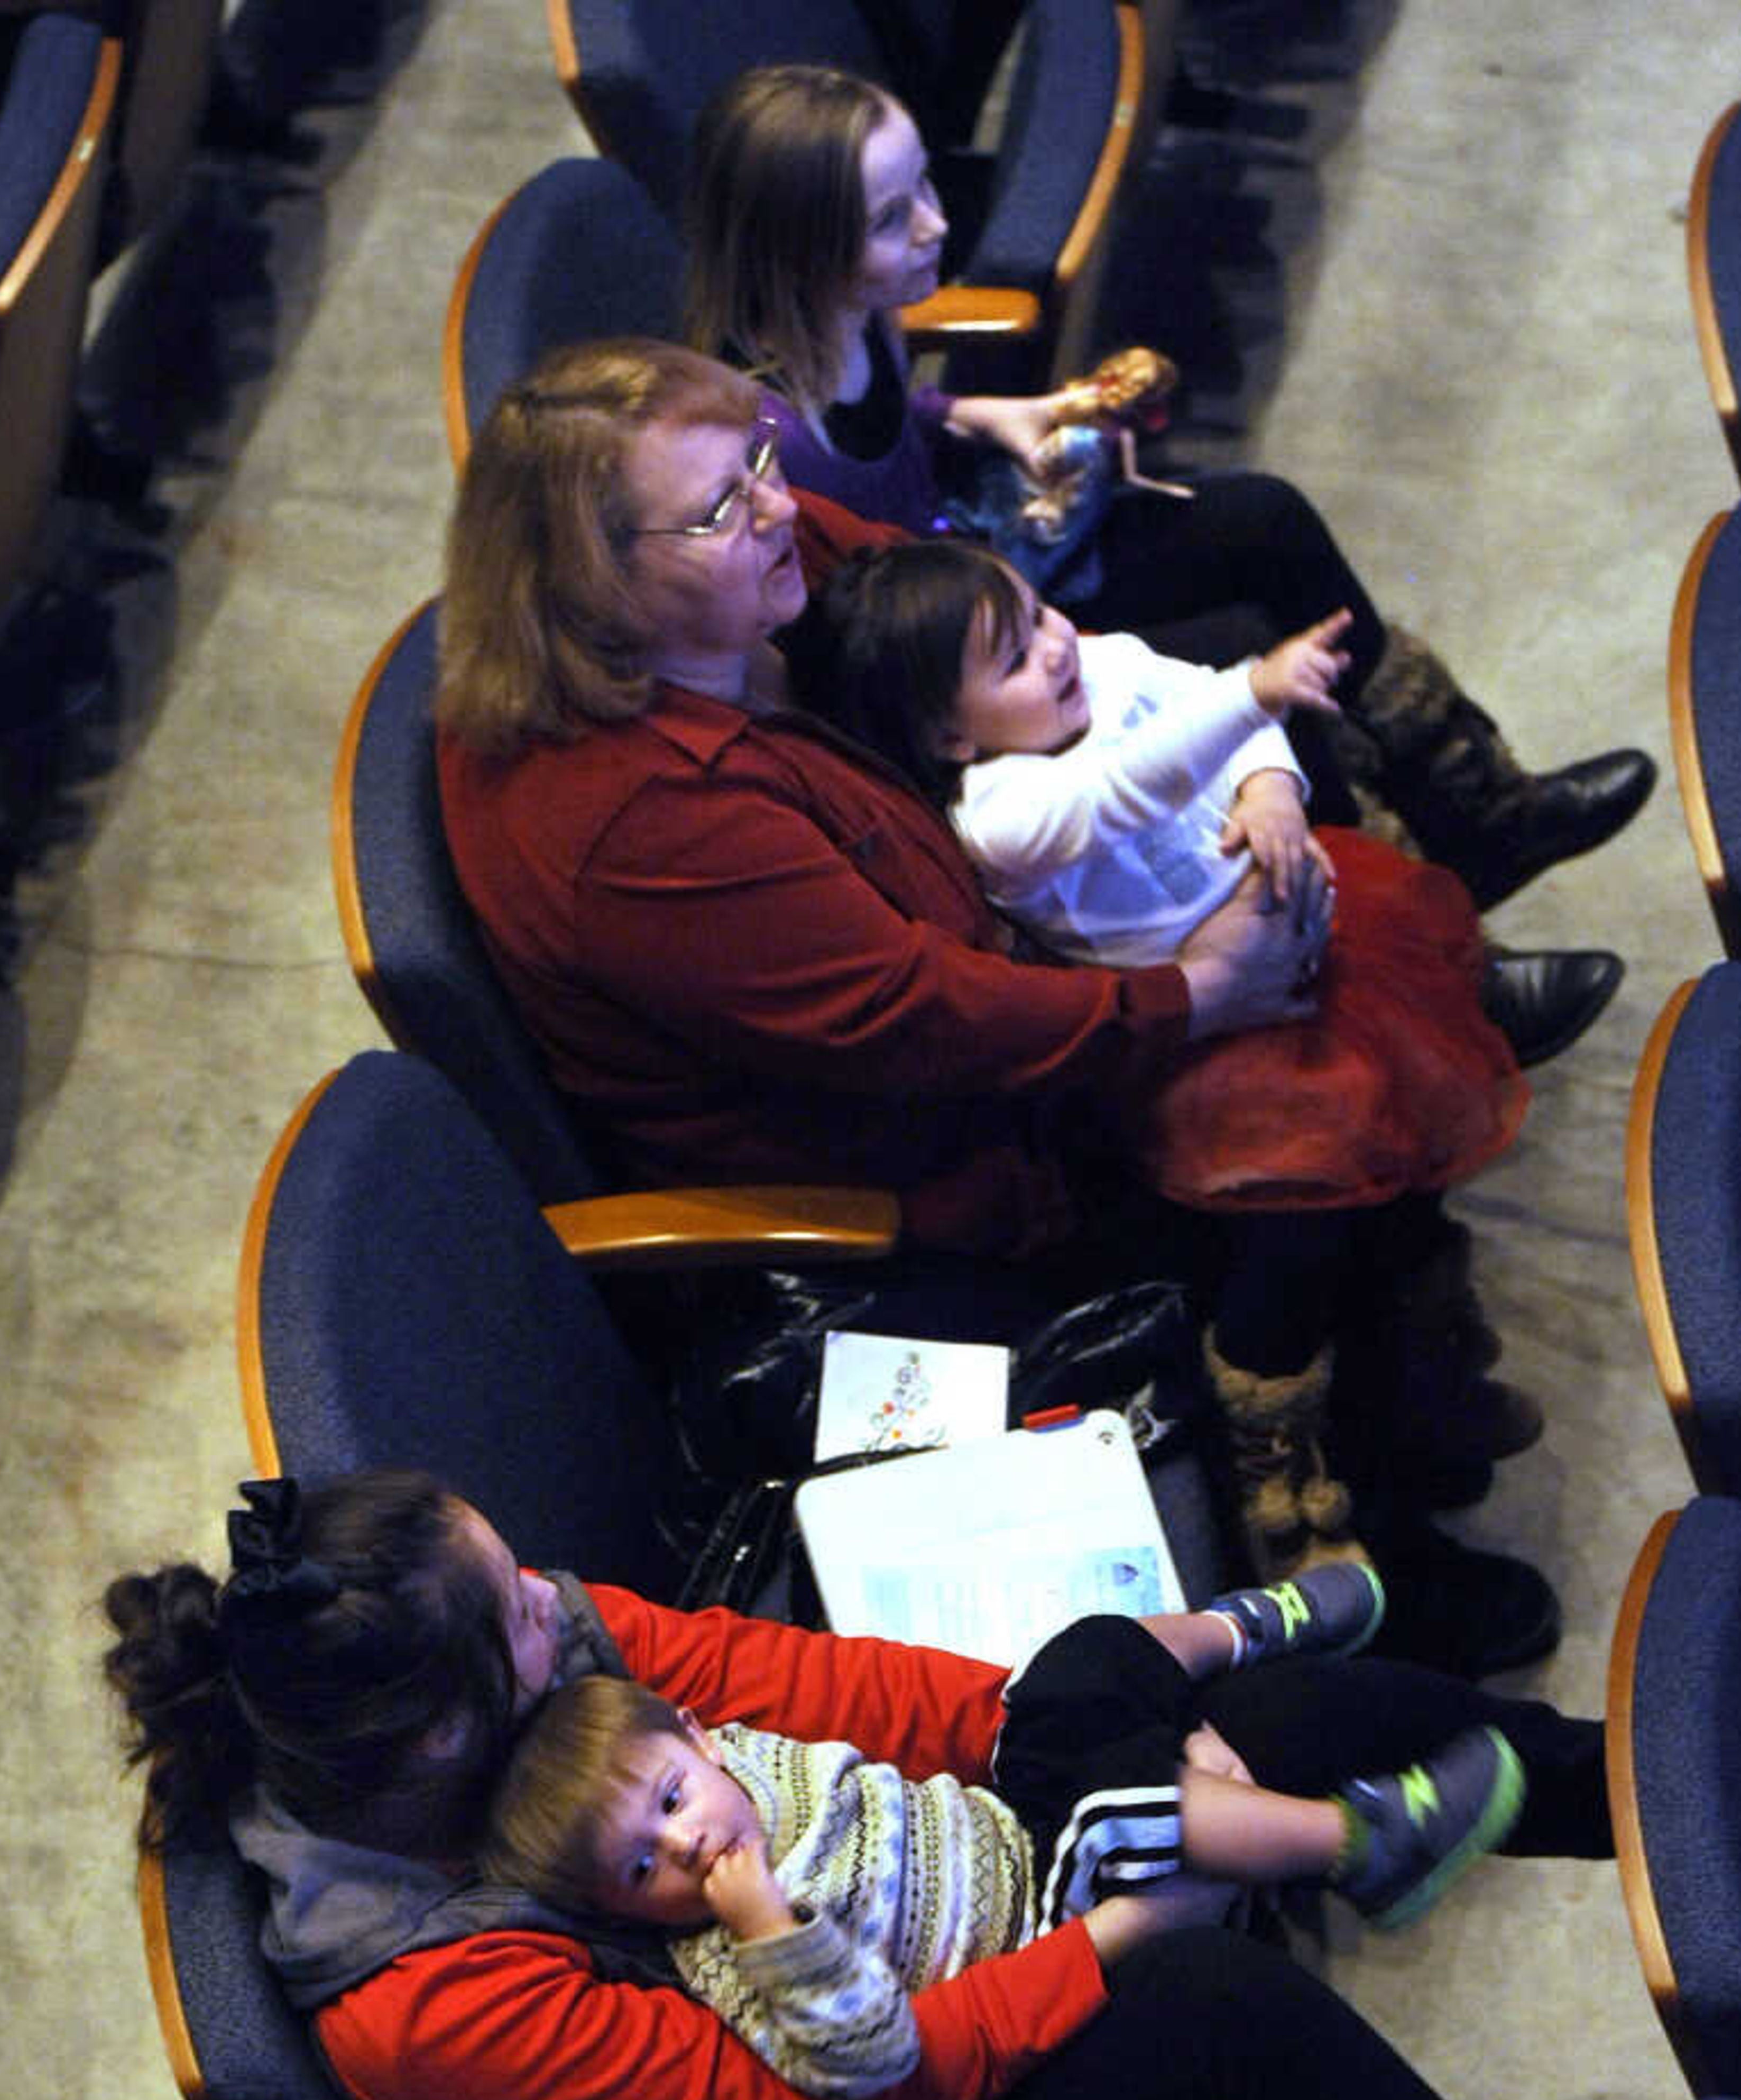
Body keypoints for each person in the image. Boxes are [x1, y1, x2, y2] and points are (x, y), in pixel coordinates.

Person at [104, 1472, 1629, 2100]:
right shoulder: (434, 2010)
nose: (554, 1606)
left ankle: (1659, 1795)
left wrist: (1116, 1749)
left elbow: (829, 1691)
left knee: (1266, 1716)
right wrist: (1118, 1933)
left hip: (876, 2002)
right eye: (514, 1612)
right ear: (447, 1740)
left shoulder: (536, 1677)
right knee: (1201, 2011)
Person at [434, 336, 1560, 1671]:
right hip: (928, 1179)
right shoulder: (634, 820)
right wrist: (1192, 994)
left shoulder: (758, 590)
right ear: (595, 579)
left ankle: (1405, 1399)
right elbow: (920, 1023)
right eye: (725, 506)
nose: (781, 506)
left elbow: (926, 593)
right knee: (1300, 1159)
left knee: (1289, 874)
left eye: (761, 462)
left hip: (1009, 948)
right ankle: (1347, 1549)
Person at [679, 58, 1655, 938]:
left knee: (1266, 520)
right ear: (801, 252)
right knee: (1245, 667)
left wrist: (981, 413)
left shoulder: (857, 310)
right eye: (893, 219)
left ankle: (1473, 804)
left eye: (926, 184)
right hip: (952, 654)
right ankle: (1414, 929)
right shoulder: (767, 443)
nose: (938, 222)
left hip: (982, 564)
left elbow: (897, 415)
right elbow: (852, 625)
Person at [478, 1565, 1527, 2100]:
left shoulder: (740, 1755)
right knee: (1123, 1816)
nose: (689, 1849)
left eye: (670, 1805)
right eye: (641, 1868)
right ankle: (1360, 1845)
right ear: (617, 1912)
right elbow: (869, 2059)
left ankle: (1242, 1628)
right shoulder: (730, 1960)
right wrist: (771, 1931)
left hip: (1011, 1825)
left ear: (701, 1740)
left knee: (1059, 1670)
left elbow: (886, 1697)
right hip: (1044, 1920)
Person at [785, 537, 1525, 1219]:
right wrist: (1254, 691)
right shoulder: (1001, 816)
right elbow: (1130, 785)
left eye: (1040, 614)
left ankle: (1462, 1066)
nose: (1054, 647)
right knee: (1316, 1160)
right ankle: (1279, 1338)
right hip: (1213, 1033)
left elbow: (1211, 711)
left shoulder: (1104, 664)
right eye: (1014, 659)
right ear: (953, 737)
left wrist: (1270, 786)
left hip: (1310, 921)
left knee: (1408, 1019)